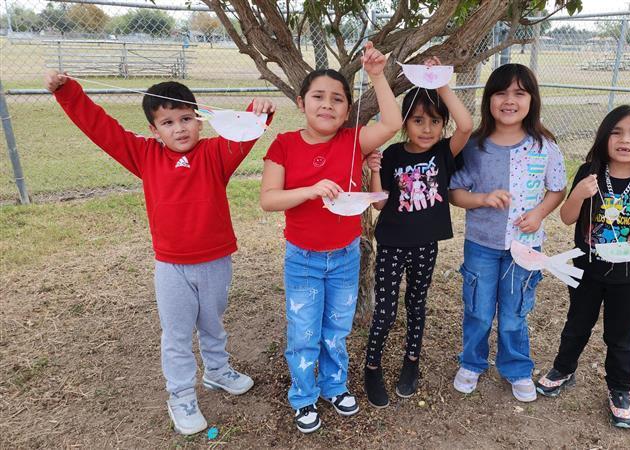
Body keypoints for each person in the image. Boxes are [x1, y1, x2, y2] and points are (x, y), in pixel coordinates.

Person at [45, 70, 275, 435]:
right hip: (172, 267)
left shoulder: (215, 152)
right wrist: (68, 93)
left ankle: (217, 371)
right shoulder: (144, 155)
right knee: (178, 333)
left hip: (216, 260)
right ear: (154, 130)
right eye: (167, 122)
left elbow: (244, 136)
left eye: (186, 119)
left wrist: (257, 112)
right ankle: (181, 394)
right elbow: (101, 128)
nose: (180, 128)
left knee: (213, 322)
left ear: (199, 121)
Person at [259, 41, 402, 433]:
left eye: (337, 99)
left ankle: (334, 386)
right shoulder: (285, 145)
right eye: (318, 96)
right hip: (303, 257)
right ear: (302, 102)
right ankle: (303, 396)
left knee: (336, 330)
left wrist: (375, 74)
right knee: (303, 333)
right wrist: (310, 190)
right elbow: (269, 199)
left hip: (345, 255)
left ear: (348, 110)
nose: (327, 104)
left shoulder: (352, 140)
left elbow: (391, 123)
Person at [535, 105, 630, 429]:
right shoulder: (589, 172)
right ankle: (563, 369)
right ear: (604, 137)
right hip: (588, 269)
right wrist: (580, 194)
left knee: (621, 335)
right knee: (577, 324)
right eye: (617, 132)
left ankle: (620, 389)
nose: (625, 140)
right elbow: (567, 217)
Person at [449, 63, 567, 402]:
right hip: (481, 246)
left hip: (526, 248)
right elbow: (455, 192)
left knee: (515, 313)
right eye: (501, 93)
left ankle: (516, 368)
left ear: (532, 100)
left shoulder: (545, 146)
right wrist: (482, 198)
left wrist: (539, 213)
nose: (509, 100)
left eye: (519, 93)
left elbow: (556, 189)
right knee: (478, 309)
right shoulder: (475, 146)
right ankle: (472, 362)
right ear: (489, 100)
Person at [362, 57, 473, 408]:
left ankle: (412, 362)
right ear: (405, 123)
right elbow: (379, 205)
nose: (427, 129)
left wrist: (440, 82)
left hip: (426, 245)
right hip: (393, 243)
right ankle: (372, 365)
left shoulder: (443, 152)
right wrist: (375, 170)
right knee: (386, 309)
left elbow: (467, 126)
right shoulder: (394, 153)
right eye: (418, 120)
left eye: (435, 121)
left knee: (417, 303)